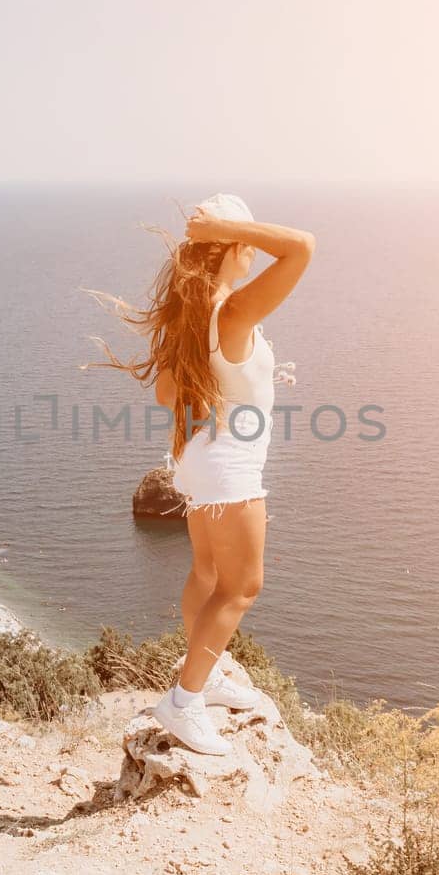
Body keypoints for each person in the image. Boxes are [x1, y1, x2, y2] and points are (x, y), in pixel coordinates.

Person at [84, 193, 314, 754]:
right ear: (232, 245)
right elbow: (303, 249)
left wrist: (245, 384)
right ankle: (184, 702)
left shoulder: (192, 315)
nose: (255, 255)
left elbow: (168, 393)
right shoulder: (231, 312)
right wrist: (233, 226)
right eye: (247, 246)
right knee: (242, 586)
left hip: (196, 459)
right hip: (230, 466)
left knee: (209, 573)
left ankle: (205, 677)